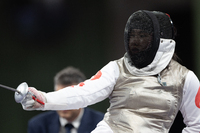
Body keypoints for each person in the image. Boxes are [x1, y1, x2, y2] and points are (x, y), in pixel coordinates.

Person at [21, 10, 200, 133]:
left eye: (143, 36)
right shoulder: (118, 68)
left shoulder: (185, 79)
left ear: (162, 42)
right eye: (133, 35)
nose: (135, 42)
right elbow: (85, 92)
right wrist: (44, 99)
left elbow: (197, 125)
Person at [27, 66, 104, 133]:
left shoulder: (101, 123)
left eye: (70, 98)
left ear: (82, 96)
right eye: (59, 97)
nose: (63, 105)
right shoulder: (38, 125)